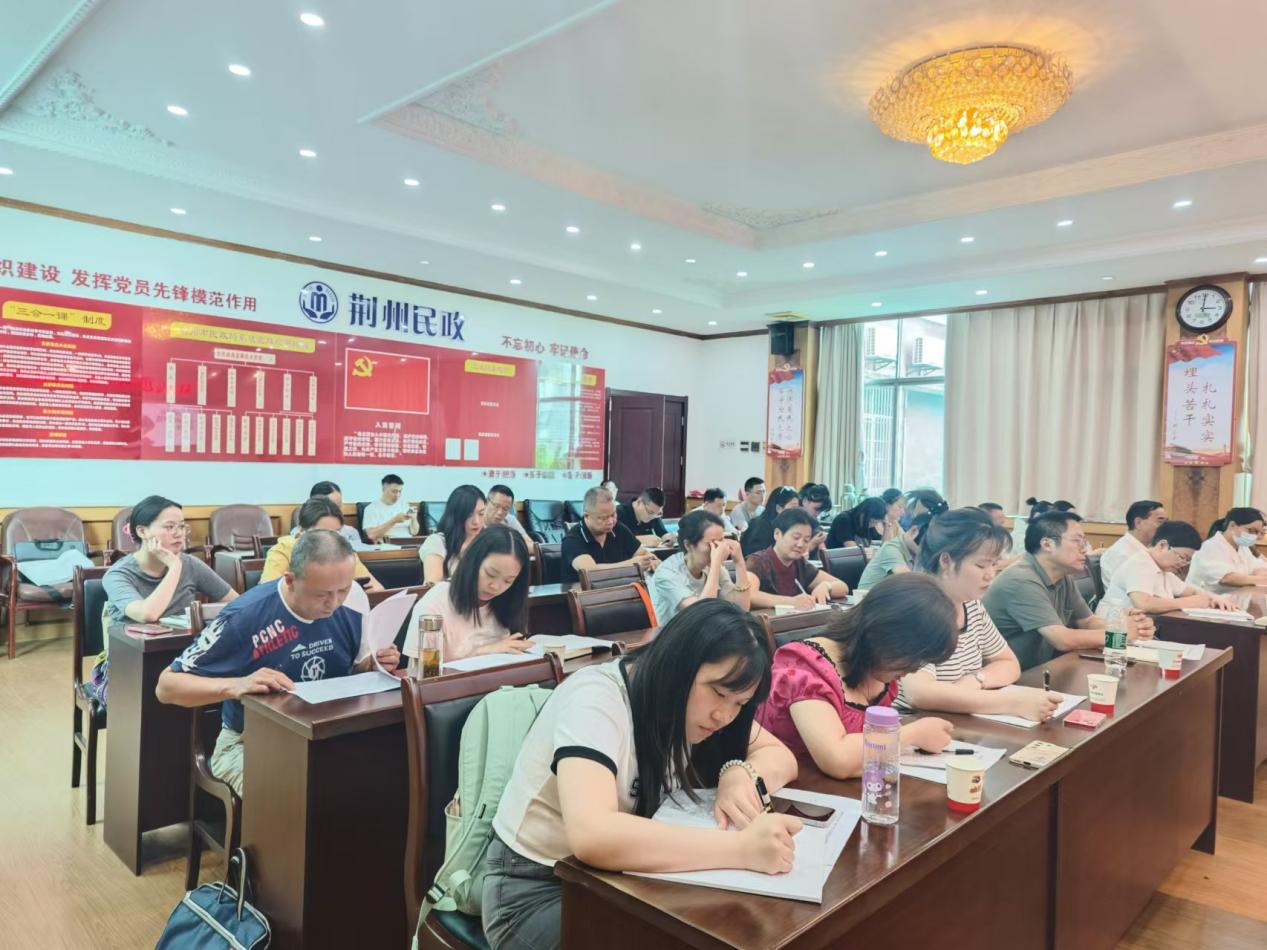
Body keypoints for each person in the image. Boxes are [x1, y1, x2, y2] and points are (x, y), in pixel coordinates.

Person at [484, 599, 800, 950]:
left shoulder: (696, 709)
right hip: (536, 889)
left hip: (621, 881)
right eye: (719, 693)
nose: (724, 716)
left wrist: (738, 773)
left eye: (739, 703)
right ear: (678, 665)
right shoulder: (596, 697)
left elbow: (781, 757)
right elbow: (594, 834)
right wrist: (742, 849)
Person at [155, 531, 399, 796]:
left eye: (344, 589)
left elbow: (354, 669)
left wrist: (373, 665)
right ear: (290, 580)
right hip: (248, 742)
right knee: (292, 795)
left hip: (328, 733)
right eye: (322, 594)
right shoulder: (245, 615)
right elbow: (166, 687)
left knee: (382, 777)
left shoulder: (354, 601)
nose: (334, 603)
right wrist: (237, 685)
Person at [754, 573, 958, 778]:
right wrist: (914, 733)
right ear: (883, 634)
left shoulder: (877, 672)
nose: (913, 670)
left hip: (847, 790)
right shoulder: (804, 668)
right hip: (792, 788)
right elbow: (838, 759)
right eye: (911, 657)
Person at [898, 508, 1060, 721]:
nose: (990, 574)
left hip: (955, 721)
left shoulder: (971, 605)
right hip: (912, 725)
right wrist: (1013, 704)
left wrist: (976, 679)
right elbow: (920, 693)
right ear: (946, 561)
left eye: (994, 564)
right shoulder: (916, 609)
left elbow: (1009, 663)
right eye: (981, 565)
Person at [95, 496, 237, 705]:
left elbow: (236, 603)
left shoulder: (191, 564)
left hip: (184, 657)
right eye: (169, 527)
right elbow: (147, 614)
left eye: (182, 527)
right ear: (142, 531)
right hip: (131, 664)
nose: (179, 534)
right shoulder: (118, 575)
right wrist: (174, 567)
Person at [983, 511, 1153, 671]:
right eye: (1077, 541)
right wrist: (1119, 636)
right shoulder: (1021, 579)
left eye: (1084, 542)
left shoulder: (1062, 576)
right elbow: (1062, 639)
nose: (1084, 549)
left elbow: (1087, 622)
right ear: (1047, 544)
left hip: (1041, 669)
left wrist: (1126, 626)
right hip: (1008, 677)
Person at [404, 525, 533, 662]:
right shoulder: (434, 605)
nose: (495, 587)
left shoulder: (509, 600)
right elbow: (422, 670)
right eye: (490, 574)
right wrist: (481, 652)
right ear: (472, 561)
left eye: (508, 580)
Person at [1096, 520, 1237, 620]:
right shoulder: (1140, 563)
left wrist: (1215, 598)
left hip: (1144, 626)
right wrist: (1189, 602)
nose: (1183, 564)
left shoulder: (1163, 569)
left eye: (1187, 560)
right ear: (1162, 545)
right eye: (1182, 557)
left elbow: (1191, 591)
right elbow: (1144, 604)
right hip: (1114, 629)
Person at [649, 510, 752, 623]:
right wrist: (715, 564)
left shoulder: (713, 567)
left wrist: (739, 562)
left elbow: (742, 609)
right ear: (688, 545)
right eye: (712, 543)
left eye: (721, 541)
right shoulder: (667, 573)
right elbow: (702, 614)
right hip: (676, 633)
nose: (719, 549)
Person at [264, 497, 383, 591]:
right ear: (301, 531)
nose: (330, 540)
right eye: (322, 533)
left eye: (336, 533)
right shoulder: (283, 549)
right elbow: (269, 592)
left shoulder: (344, 550)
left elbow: (377, 589)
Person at [746, 508, 848, 609]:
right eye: (796, 537)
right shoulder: (757, 561)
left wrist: (826, 586)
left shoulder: (799, 563)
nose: (800, 544)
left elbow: (843, 587)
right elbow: (749, 595)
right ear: (777, 534)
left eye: (806, 540)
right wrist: (792, 602)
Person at [561, 487, 657, 585]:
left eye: (613, 515)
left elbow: (642, 554)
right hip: (583, 592)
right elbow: (589, 572)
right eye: (603, 518)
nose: (610, 521)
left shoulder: (618, 528)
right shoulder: (573, 539)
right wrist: (631, 565)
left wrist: (652, 561)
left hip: (621, 589)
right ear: (587, 516)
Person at [1187, 507, 1267, 592]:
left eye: (1258, 532)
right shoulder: (1211, 546)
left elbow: (1258, 567)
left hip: (1233, 597)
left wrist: (1260, 576)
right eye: (1251, 530)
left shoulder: (1243, 547)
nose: (1256, 536)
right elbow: (1227, 578)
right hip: (1205, 597)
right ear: (1232, 525)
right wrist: (1261, 580)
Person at [421, 485, 487, 583]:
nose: (476, 522)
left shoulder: (487, 540)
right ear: (456, 515)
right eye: (469, 515)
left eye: (481, 514)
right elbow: (434, 585)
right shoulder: (437, 542)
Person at [1099, 500, 1167, 587]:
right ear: (1138, 523)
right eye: (1160, 522)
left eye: (1166, 522)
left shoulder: (1148, 549)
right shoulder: (1121, 554)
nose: (1166, 527)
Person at [856, 513, 930, 590]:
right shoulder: (891, 549)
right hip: (870, 596)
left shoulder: (917, 553)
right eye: (926, 546)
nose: (927, 552)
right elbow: (911, 583)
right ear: (914, 531)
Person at [300, 480, 369, 549]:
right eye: (331, 505)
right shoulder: (299, 535)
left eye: (339, 505)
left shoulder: (351, 532)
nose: (337, 510)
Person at [740, 486, 801, 557]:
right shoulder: (761, 527)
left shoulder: (787, 526)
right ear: (778, 508)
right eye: (793, 508)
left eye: (798, 508)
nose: (796, 513)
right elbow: (757, 557)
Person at [362, 474, 419, 541]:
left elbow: (414, 532)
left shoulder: (404, 505)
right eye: (394, 491)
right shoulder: (371, 509)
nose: (397, 495)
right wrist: (394, 520)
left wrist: (414, 519)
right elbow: (371, 535)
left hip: (408, 543)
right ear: (383, 489)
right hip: (388, 545)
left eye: (400, 491)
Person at [484, 484, 535, 551]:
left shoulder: (510, 520)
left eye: (505, 509)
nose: (500, 512)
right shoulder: (475, 521)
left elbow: (532, 546)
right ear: (486, 502)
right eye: (496, 506)